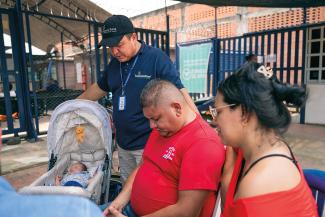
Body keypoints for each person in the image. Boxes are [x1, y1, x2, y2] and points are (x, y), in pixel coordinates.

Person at [78, 15, 199, 183]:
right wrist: (72, 106)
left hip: (150, 144)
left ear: (133, 37)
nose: (114, 52)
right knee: (127, 187)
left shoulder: (156, 58)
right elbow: (97, 89)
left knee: (148, 188)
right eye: (110, 47)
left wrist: (200, 126)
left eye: (119, 45)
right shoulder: (114, 65)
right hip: (123, 145)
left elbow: (180, 92)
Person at [103, 79, 225, 217]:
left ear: (177, 108)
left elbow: (187, 211)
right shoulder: (163, 129)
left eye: (156, 119)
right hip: (130, 209)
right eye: (149, 119)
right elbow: (142, 167)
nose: (151, 126)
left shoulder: (203, 143)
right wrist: (119, 202)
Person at [210, 62, 318, 216]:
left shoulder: (258, 183)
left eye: (217, 112)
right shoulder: (267, 147)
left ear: (245, 113)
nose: (214, 121)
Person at [0, 177, 103, 217]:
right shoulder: (83, 210)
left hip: (78, 185)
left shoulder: (83, 175)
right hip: (65, 187)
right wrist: (58, 181)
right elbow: (59, 185)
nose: (73, 168)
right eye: (72, 167)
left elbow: (89, 181)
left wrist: (95, 177)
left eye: (76, 167)